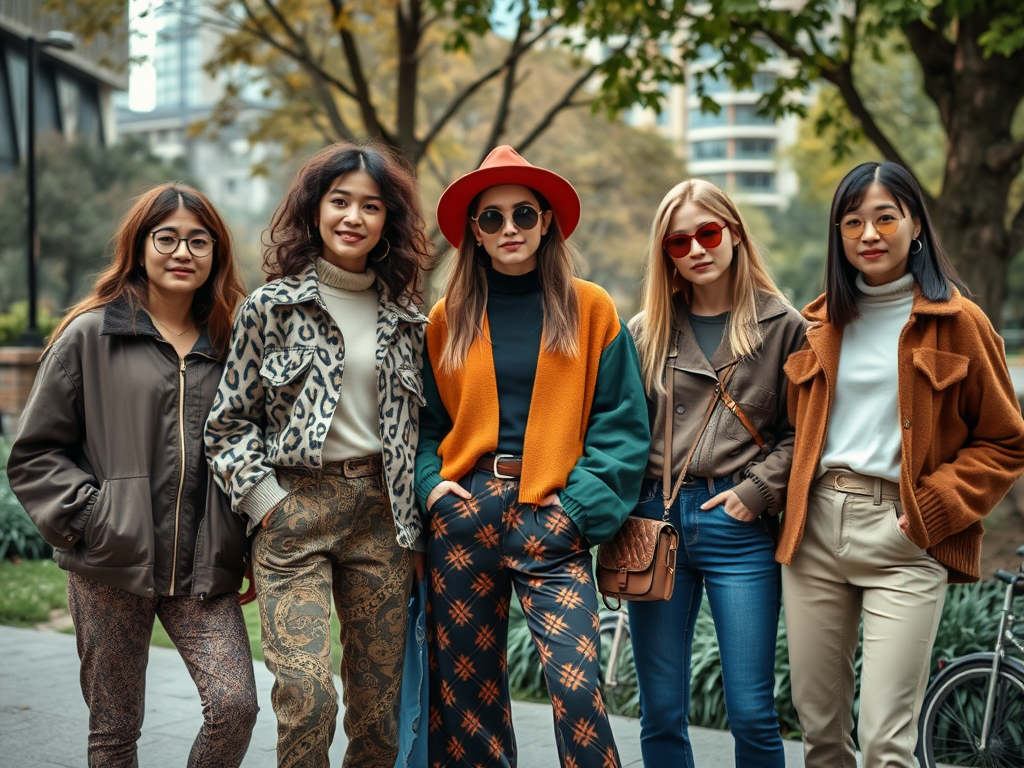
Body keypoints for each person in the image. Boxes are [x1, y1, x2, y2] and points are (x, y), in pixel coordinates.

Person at [779, 161, 1024, 767]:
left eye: (886, 217)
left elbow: (1006, 440)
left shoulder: (959, 323)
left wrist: (933, 509)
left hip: (905, 536)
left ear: (915, 225)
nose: (869, 233)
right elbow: (791, 431)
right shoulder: (816, 326)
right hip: (814, 535)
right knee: (822, 739)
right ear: (838, 234)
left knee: (887, 744)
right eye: (854, 221)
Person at [6, 183, 256, 768]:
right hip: (109, 563)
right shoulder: (90, 335)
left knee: (235, 705)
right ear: (139, 246)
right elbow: (36, 453)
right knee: (115, 731)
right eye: (165, 238)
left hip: (205, 565)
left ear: (216, 253)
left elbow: (253, 445)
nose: (182, 252)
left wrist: (248, 542)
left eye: (199, 241)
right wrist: (96, 519)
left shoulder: (234, 342)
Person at [416, 145, 650, 768]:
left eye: (523, 214)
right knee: (468, 699)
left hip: (554, 513)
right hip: (465, 514)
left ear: (546, 220)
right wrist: (430, 488)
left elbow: (622, 424)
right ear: (474, 230)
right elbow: (424, 424)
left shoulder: (591, 307)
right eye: (491, 218)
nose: (509, 229)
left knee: (577, 688)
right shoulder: (448, 317)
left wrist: (578, 509)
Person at [204, 140, 431, 768]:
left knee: (377, 709)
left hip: (382, 520)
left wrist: (414, 530)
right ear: (314, 210)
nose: (353, 217)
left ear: (390, 222)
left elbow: (422, 433)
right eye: (339, 201)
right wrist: (267, 503)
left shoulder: (410, 321)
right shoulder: (269, 309)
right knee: (308, 696)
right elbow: (226, 425)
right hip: (293, 513)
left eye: (371, 206)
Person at [626, 179, 804, 767]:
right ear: (665, 253)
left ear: (733, 233)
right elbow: (622, 432)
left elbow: (803, 433)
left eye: (708, 233)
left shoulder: (783, 326)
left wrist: (756, 492)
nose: (697, 249)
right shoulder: (646, 332)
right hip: (657, 521)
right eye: (679, 241)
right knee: (662, 710)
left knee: (751, 709)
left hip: (737, 525)